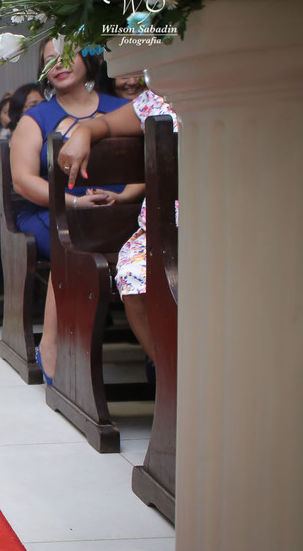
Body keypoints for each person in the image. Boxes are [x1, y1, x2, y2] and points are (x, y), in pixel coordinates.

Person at [9, 38, 142, 385]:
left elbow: (156, 164)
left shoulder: (124, 109)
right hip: (53, 212)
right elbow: (23, 182)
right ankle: (51, 345)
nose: (59, 63)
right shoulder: (34, 120)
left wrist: (125, 196)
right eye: (49, 59)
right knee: (72, 237)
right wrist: (75, 203)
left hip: (122, 211)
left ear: (88, 58)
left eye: (67, 54)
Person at [57, 90, 178, 370]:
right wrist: (83, 132)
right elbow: (107, 124)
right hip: (161, 230)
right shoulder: (158, 97)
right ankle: (171, 375)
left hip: (222, 218)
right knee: (134, 275)